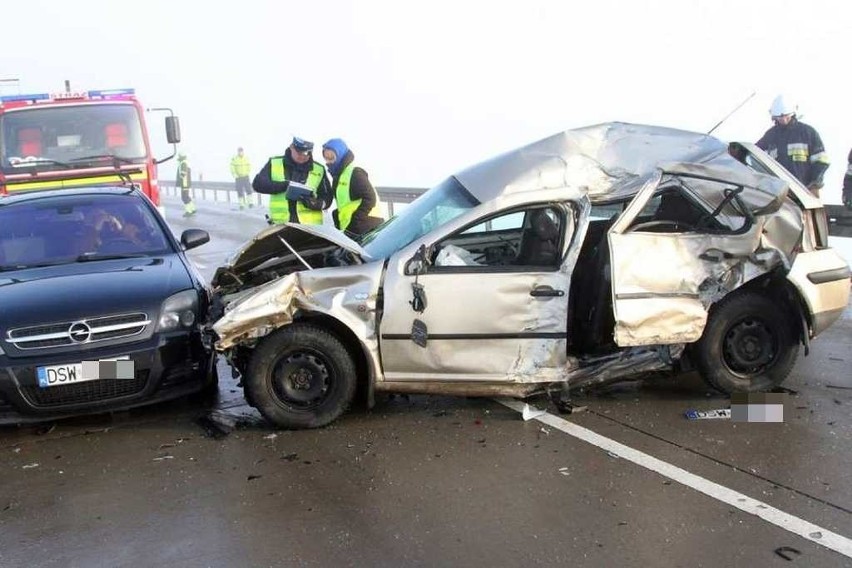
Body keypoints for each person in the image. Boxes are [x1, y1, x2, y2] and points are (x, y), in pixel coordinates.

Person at [756, 95, 830, 197]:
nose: (783, 119)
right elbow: (755, 152)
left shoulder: (808, 133)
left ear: (792, 114)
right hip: (779, 192)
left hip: (805, 190)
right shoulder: (771, 135)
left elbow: (822, 161)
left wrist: (814, 183)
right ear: (774, 117)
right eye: (780, 117)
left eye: (786, 116)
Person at [252, 137, 332, 225]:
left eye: (306, 153)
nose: (302, 156)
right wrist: (284, 186)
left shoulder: (319, 169)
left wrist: (318, 204)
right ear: (291, 147)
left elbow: (327, 197)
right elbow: (258, 184)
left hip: (311, 229)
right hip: (281, 225)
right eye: (299, 152)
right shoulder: (274, 163)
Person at [321, 138, 384, 237]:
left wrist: (356, 220)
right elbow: (346, 204)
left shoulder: (355, 173)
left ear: (340, 156)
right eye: (326, 158)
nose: (329, 162)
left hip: (367, 226)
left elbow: (370, 198)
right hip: (352, 229)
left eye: (332, 157)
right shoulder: (338, 176)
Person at [176, 152, 197, 217]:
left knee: (184, 197)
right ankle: (193, 209)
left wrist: (180, 179)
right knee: (187, 197)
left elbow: (183, 173)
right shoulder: (184, 162)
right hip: (186, 183)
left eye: (179, 155)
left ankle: (188, 211)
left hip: (184, 183)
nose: (178, 157)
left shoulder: (183, 163)